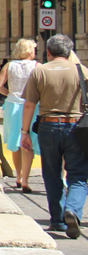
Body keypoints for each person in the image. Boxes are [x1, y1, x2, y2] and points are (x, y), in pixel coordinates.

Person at [21, 34, 88, 238]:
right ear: (69, 51)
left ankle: (58, 221)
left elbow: (30, 104)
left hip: (48, 127)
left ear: (48, 52)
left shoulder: (39, 71)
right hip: (76, 127)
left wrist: (25, 133)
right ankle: (73, 210)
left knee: (51, 174)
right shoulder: (81, 70)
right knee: (78, 174)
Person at [0, 39, 39, 192]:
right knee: (28, 144)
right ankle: (26, 179)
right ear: (29, 51)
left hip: (13, 105)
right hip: (31, 106)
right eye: (33, 49)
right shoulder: (37, 66)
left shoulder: (9, 66)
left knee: (15, 143)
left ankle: (18, 176)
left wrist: (10, 94)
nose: (35, 52)